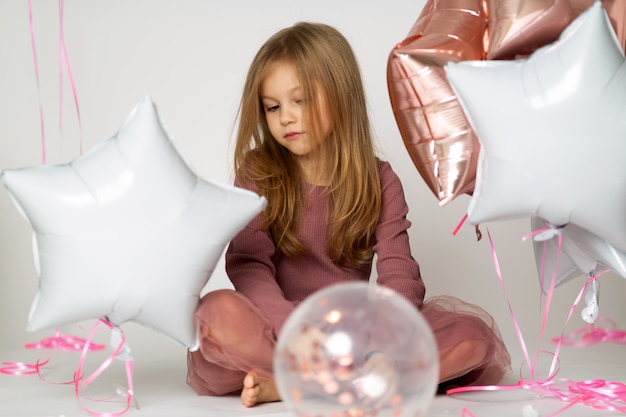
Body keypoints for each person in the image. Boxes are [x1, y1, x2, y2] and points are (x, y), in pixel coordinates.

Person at [187, 21, 511, 408]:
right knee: (215, 313)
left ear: (340, 96)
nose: (286, 117)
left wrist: (382, 347)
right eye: (273, 107)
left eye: (300, 100)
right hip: (279, 330)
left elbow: (399, 274)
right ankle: (339, 380)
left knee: (470, 336)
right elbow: (249, 266)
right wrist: (296, 329)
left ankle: (304, 383)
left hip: (359, 335)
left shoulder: (380, 180)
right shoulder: (258, 173)